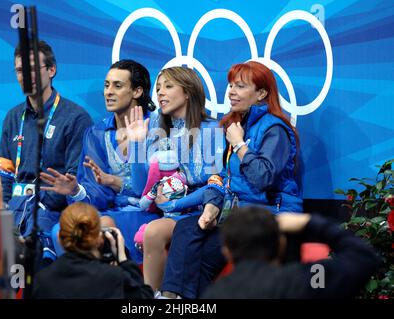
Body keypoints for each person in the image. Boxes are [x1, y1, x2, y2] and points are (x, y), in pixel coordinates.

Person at [160, 61, 303, 299]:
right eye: (230, 85)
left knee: (201, 254)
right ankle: (169, 297)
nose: (231, 92)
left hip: (269, 216)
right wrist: (211, 207)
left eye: (240, 86)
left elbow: (263, 178)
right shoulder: (235, 125)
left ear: (261, 93)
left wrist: (239, 145)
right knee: (187, 228)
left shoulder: (274, 129)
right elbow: (224, 178)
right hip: (237, 213)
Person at [40, 60, 161, 263]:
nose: (108, 92)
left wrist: (116, 183)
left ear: (137, 91)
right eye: (106, 85)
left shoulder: (158, 128)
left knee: (103, 227)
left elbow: (158, 186)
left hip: (147, 214)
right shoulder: (97, 133)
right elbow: (97, 191)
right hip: (110, 211)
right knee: (59, 230)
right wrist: (76, 190)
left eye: (117, 85)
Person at [125, 66, 223, 292]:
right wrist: (137, 144)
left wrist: (174, 204)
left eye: (168, 86)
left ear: (188, 92)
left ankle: (151, 295)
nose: (160, 93)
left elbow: (214, 184)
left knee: (154, 231)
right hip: (162, 211)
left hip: (197, 212)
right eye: (158, 88)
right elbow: (142, 188)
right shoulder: (157, 130)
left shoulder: (211, 129)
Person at [0, 40, 92, 261]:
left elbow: (71, 182)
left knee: (35, 248)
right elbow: (4, 174)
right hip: (16, 209)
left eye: (31, 69)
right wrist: (4, 207)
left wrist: (35, 203)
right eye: (20, 70)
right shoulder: (12, 117)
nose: (25, 76)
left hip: (52, 211)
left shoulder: (76, 118)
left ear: (52, 70)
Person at [201, 206, 380, 298]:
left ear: (226, 251)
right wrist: (310, 222)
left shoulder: (214, 294)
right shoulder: (307, 279)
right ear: (281, 244)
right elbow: (363, 258)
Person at [32, 202, 154, 299]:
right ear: (100, 238)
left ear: (59, 237)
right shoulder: (113, 277)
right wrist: (123, 259)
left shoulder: (42, 280)